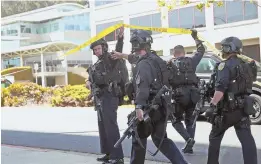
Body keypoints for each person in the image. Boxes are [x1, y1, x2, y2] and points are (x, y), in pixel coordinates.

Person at [113, 29, 189, 164]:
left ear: (136, 44)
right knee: (161, 140)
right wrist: (121, 55)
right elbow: (134, 58)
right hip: (162, 107)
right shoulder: (156, 59)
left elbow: (143, 86)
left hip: (149, 107)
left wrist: (139, 107)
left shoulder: (143, 64)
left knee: (138, 137)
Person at [205, 36, 258, 164]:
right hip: (243, 109)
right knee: (247, 140)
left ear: (230, 48)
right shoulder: (246, 65)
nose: (222, 50)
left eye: (224, 47)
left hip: (226, 110)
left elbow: (220, 90)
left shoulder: (224, 66)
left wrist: (212, 105)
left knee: (214, 138)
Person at [86, 27, 127, 164]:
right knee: (103, 128)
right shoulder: (97, 63)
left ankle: (118, 156)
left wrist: (120, 38)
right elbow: (94, 78)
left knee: (111, 126)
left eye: (98, 48)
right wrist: (88, 81)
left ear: (104, 47)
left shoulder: (110, 58)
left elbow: (118, 50)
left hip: (110, 97)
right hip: (100, 98)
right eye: (95, 49)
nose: (96, 51)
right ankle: (109, 154)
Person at [168, 29, 205, 154]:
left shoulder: (170, 64)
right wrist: (195, 37)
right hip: (193, 95)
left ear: (174, 54)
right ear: (184, 52)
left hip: (179, 96)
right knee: (190, 120)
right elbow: (201, 50)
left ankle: (188, 139)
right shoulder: (191, 61)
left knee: (175, 120)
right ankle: (189, 146)